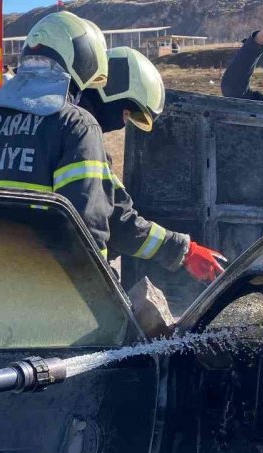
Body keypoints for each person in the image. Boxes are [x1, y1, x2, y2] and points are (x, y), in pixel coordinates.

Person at [0, 12, 225, 282]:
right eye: (126, 114)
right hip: (41, 292)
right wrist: (103, 297)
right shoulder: (74, 126)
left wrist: (182, 249)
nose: (122, 124)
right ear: (83, 59)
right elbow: (87, 231)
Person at [77, 46, 226, 283]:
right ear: (113, 91)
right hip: (69, 278)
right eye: (127, 113)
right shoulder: (79, 135)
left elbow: (113, 207)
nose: (122, 124)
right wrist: (186, 251)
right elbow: (120, 222)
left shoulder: (56, 121)